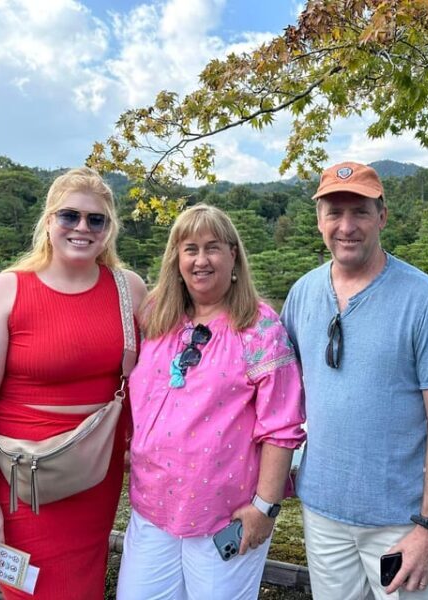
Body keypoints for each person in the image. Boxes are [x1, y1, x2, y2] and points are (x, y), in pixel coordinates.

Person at [0, 167, 147, 599]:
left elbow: (158, 372)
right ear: (49, 220)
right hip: (25, 485)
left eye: (97, 220)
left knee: (85, 583)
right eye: (69, 215)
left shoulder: (129, 289)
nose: (82, 227)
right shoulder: (3, 294)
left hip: (96, 476)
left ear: (110, 228)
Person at [281, 161, 428, 599]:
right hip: (323, 513)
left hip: (403, 521)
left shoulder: (424, 299)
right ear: (319, 221)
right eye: (334, 212)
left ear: (382, 216)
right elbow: (280, 394)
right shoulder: (303, 293)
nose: (346, 226)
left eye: (360, 212)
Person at [117, 204, 306, 600]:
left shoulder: (260, 328)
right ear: (176, 259)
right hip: (152, 509)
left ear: (233, 255)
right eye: (190, 249)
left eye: (213, 247)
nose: (201, 260)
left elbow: (282, 428)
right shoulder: (155, 316)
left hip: (225, 514)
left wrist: (264, 508)